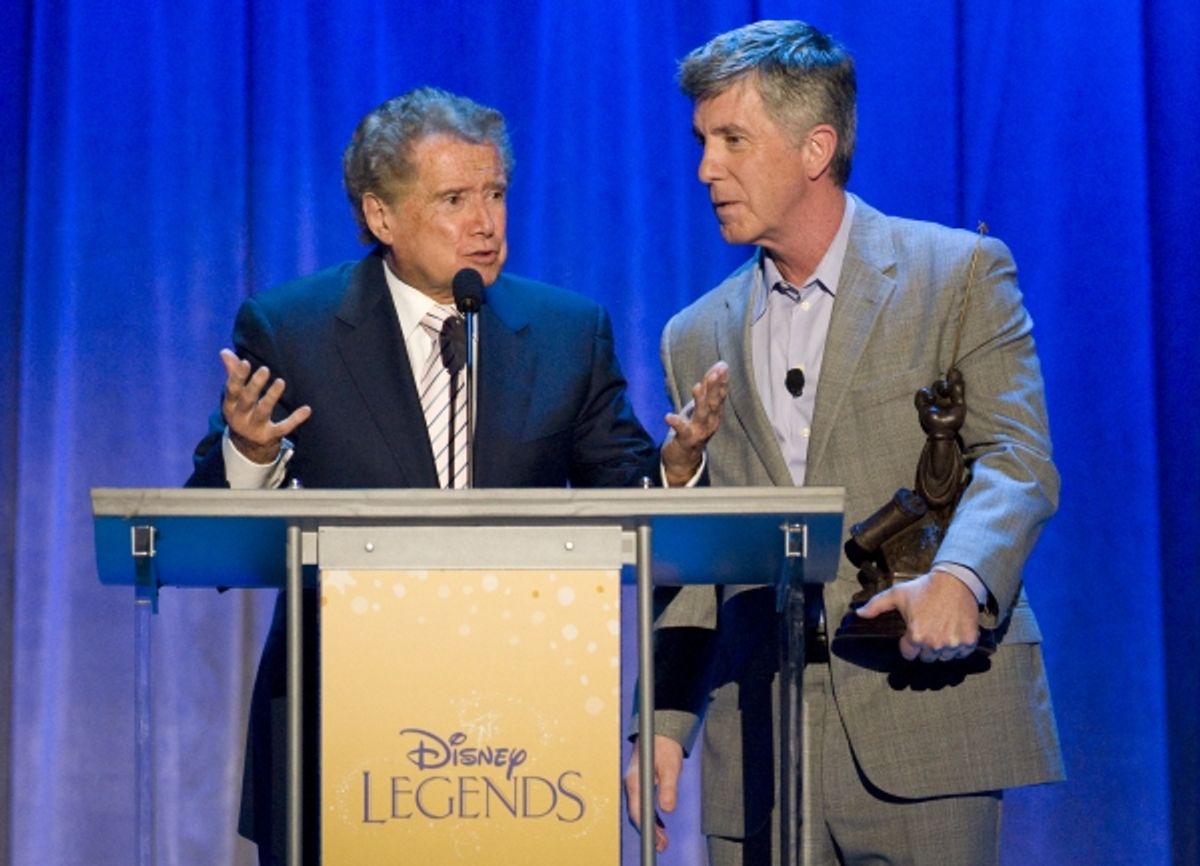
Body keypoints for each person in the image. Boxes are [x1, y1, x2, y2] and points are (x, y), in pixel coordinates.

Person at [186, 86, 728, 865]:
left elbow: (628, 496)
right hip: (339, 722)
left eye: (496, 194)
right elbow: (208, 535)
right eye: (454, 198)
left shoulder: (568, 333)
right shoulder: (290, 328)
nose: (486, 221)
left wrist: (676, 471)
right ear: (381, 216)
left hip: (520, 740)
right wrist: (254, 454)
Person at [624, 20, 1063, 866]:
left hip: (922, 710)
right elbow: (705, 556)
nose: (706, 168)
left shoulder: (956, 274)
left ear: (816, 147)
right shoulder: (693, 334)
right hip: (762, 737)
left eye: (732, 140)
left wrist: (963, 577)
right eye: (702, 141)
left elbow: (1017, 459)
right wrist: (665, 721)